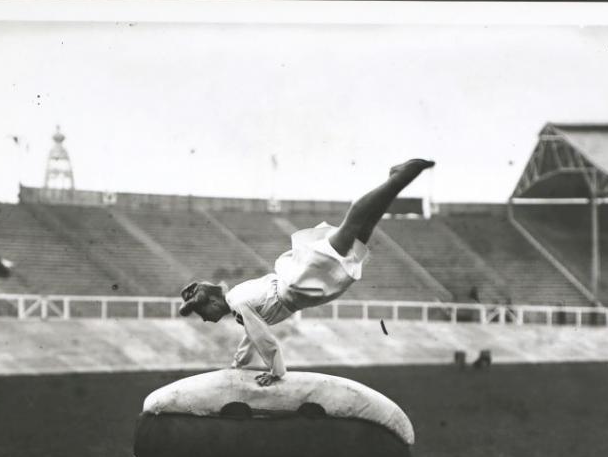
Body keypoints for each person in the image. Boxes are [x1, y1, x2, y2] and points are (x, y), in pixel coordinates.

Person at [178, 158, 435, 386]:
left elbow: (262, 337)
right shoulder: (237, 300)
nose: (205, 319)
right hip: (298, 287)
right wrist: (237, 366)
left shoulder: (237, 302)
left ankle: (402, 175)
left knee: (353, 225)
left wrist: (276, 371)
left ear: (212, 300)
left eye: (203, 313)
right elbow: (251, 335)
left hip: (298, 284)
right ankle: (397, 179)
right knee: (362, 233)